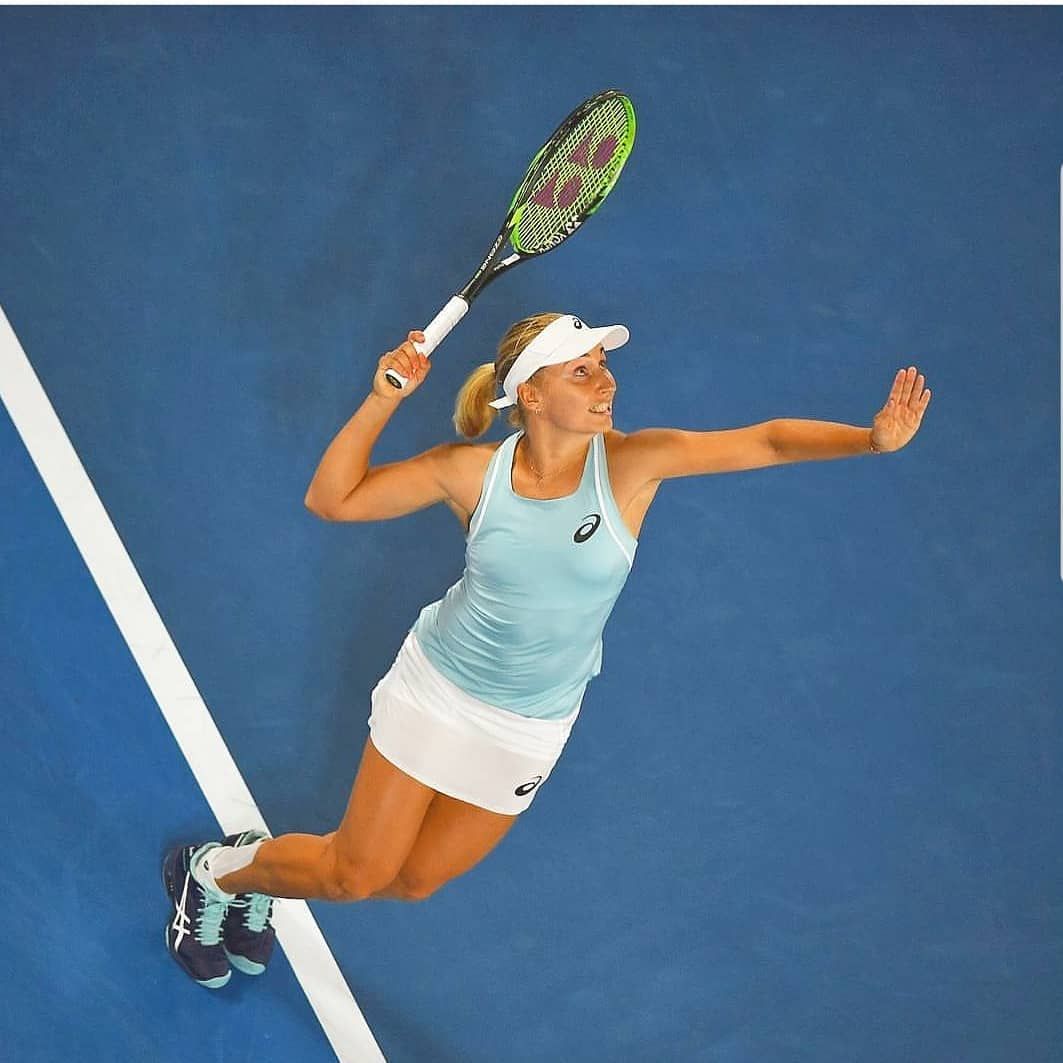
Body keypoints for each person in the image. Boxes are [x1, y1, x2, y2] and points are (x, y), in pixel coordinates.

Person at [163, 311, 932, 988]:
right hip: (439, 690)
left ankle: (263, 867)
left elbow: (764, 440)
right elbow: (331, 499)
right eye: (582, 370)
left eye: (603, 365)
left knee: (417, 879)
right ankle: (218, 871)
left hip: (531, 724)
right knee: (354, 875)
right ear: (530, 395)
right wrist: (381, 399)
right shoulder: (469, 473)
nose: (606, 382)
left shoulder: (634, 464)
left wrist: (870, 439)